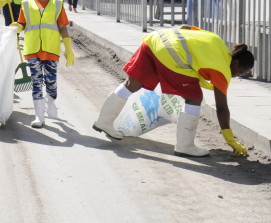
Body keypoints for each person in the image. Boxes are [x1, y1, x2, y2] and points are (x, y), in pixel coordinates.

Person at [93, 27, 254, 158]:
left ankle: (104, 121)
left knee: (132, 83)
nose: (237, 75)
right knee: (194, 98)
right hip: (170, 54)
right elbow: (221, 108)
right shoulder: (222, 69)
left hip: (156, 39)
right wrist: (230, 139)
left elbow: (185, 28)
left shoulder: (217, 40)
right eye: (240, 71)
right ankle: (185, 145)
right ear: (236, 62)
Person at [11, 0, 74, 128]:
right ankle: (39, 116)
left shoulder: (58, 4)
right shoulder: (26, 4)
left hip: (51, 49)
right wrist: (16, 28)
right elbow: (22, 24)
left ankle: (51, 101)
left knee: (51, 81)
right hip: (32, 50)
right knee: (36, 82)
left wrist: (68, 49)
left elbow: (62, 27)